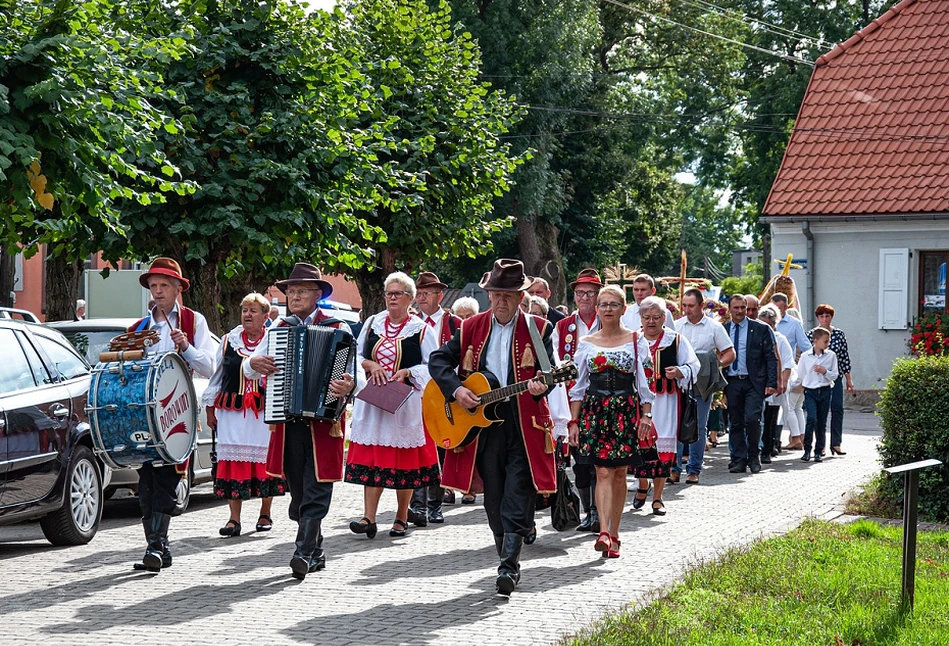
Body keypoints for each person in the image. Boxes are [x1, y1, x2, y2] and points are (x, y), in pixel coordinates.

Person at [429, 259, 557, 596]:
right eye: (496, 294)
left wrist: (544, 386)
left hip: (524, 425)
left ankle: (508, 567)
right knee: (494, 497)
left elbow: (550, 374)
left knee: (518, 491)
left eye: (508, 295)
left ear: (521, 297)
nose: (501, 300)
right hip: (483, 427)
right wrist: (456, 390)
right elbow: (438, 361)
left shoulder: (540, 329)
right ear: (488, 294)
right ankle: (506, 553)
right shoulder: (471, 327)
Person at [246, 263, 356, 580]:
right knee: (297, 492)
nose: (294, 296)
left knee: (317, 486)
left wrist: (346, 385)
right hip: (288, 419)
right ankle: (316, 549)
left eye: (301, 290)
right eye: (291, 291)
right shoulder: (279, 328)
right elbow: (251, 369)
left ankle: (303, 552)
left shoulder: (339, 328)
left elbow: (352, 377)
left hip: (324, 421)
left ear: (317, 295)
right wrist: (254, 362)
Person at [129, 258, 217, 572]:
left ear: (178, 288)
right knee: (146, 478)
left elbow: (209, 366)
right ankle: (158, 548)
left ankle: (156, 546)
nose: (158, 291)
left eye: (164, 285)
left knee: (167, 475)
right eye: (154, 286)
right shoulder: (139, 328)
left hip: (177, 409)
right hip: (146, 412)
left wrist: (187, 348)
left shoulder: (194, 322)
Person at [346, 272, 441, 539]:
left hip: (405, 402)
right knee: (373, 458)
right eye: (389, 293)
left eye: (398, 293)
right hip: (374, 400)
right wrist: (370, 365)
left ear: (410, 298)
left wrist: (408, 372)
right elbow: (358, 355)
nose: (392, 298)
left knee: (404, 463)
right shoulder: (374, 322)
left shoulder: (421, 329)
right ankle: (369, 517)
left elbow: (433, 365)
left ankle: (401, 517)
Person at [568, 286, 654, 558]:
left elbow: (646, 381)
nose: (607, 309)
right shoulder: (586, 343)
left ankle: (615, 533)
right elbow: (578, 386)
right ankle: (603, 530)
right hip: (595, 410)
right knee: (602, 471)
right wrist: (573, 421)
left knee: (619, 474)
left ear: (623, 308)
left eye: (613, 304)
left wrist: (647, 414)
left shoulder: (636, 340)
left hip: (626, 410)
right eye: (603, 304)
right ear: (597, 308)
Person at [204, 292, 287, 538]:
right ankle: (234, 519)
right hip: (232, 410)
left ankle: (265, 512)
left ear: (265, 316)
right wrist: (210, 409)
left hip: (263, 411)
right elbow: (217, 375)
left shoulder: (273, 340)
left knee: (266, 460)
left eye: (253, 311)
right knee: (233, 462)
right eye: (244, 310)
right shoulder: (229, 340)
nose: (247, 315)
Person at [630, 296, 699, 515]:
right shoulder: (633, 340)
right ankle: (642, 485)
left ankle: (658, 497)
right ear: (640, 318)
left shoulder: (675, 339)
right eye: (647, 317)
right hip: (639, 402)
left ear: (664, 318)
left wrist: (680, 371)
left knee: (662, 448)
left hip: (666, 400)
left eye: (656, 317)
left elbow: (693, 364)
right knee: (641, 444)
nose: (651, 322)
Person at [407, 272, 460, 526]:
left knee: (441, 446)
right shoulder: (412, 322)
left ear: (440, 296)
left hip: (446, 394)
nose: (422, 298)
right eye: (419, 293)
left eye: (427, 293)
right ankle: (416, 505)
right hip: (417, 393)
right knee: (417, 445)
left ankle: (435, 504)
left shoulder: (454, 323)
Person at [553, 268, 603, 533]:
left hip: (603, 400)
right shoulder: (562, 326)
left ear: (597, 296)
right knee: (580, 458)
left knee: (600, 459)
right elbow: (553, 363)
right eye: (580, 293)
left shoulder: (608, 321)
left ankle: (601, 511)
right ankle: (589, 511)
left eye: (590, 293)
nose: (584, 297)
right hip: (572, 400)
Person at [673, 288, 735, 483]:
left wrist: (715, 366)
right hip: (679, 382)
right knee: (675, 426)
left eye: (691, 306)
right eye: (684, 305)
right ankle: (674, 469)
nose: (686, 309)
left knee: (699, 427)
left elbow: (730, 353)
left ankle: (693, 470)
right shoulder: (676, 326)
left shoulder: (714, 327)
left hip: (702, 382)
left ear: (701, 305)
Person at [722, 294, 778, 474]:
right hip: (732, 382)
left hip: (754, 382)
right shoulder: (723, 329)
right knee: (736, 422)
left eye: (742, 307)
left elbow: (771, 357)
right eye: (736, 307)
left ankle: (754, 456)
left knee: (753, 419)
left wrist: (772, 382)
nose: (739, 311)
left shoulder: (760, 328)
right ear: (729, 309)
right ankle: (738, 459)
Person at [808, 304, 854, 456]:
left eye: (827, 316)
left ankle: (836, 443)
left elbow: (844, 357)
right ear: (817, 318)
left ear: (831, 317)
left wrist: (848, 378)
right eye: (822, 316)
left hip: (835, 377)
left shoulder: (839, 334)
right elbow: (808, 356)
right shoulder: (811, 334)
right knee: (820, 413)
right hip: (818, 380)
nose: (825, 319)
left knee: (837, 409)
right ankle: (820, 445)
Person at [790, 327, 838, 462]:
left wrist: (824, 372)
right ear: (815, 341)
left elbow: (835, 375)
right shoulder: (806, 356)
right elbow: (800, 376)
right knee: (811, 419)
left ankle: (818, 451)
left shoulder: (831, 355)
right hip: (810, 391)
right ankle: (807, 450)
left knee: (822, 422)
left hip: (825, 390)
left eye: (828, 341)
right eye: (825, 341)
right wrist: (792, 386)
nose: (827, 344)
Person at [756, 304, 792, 464]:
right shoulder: (755, 337)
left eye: (768, 324)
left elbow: (786, 363)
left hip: (773, 384)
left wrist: (781, 382)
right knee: (757, 418)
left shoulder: (780, 340)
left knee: (771, 418)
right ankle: (758, 447)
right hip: (758, 383)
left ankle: (768, 449)